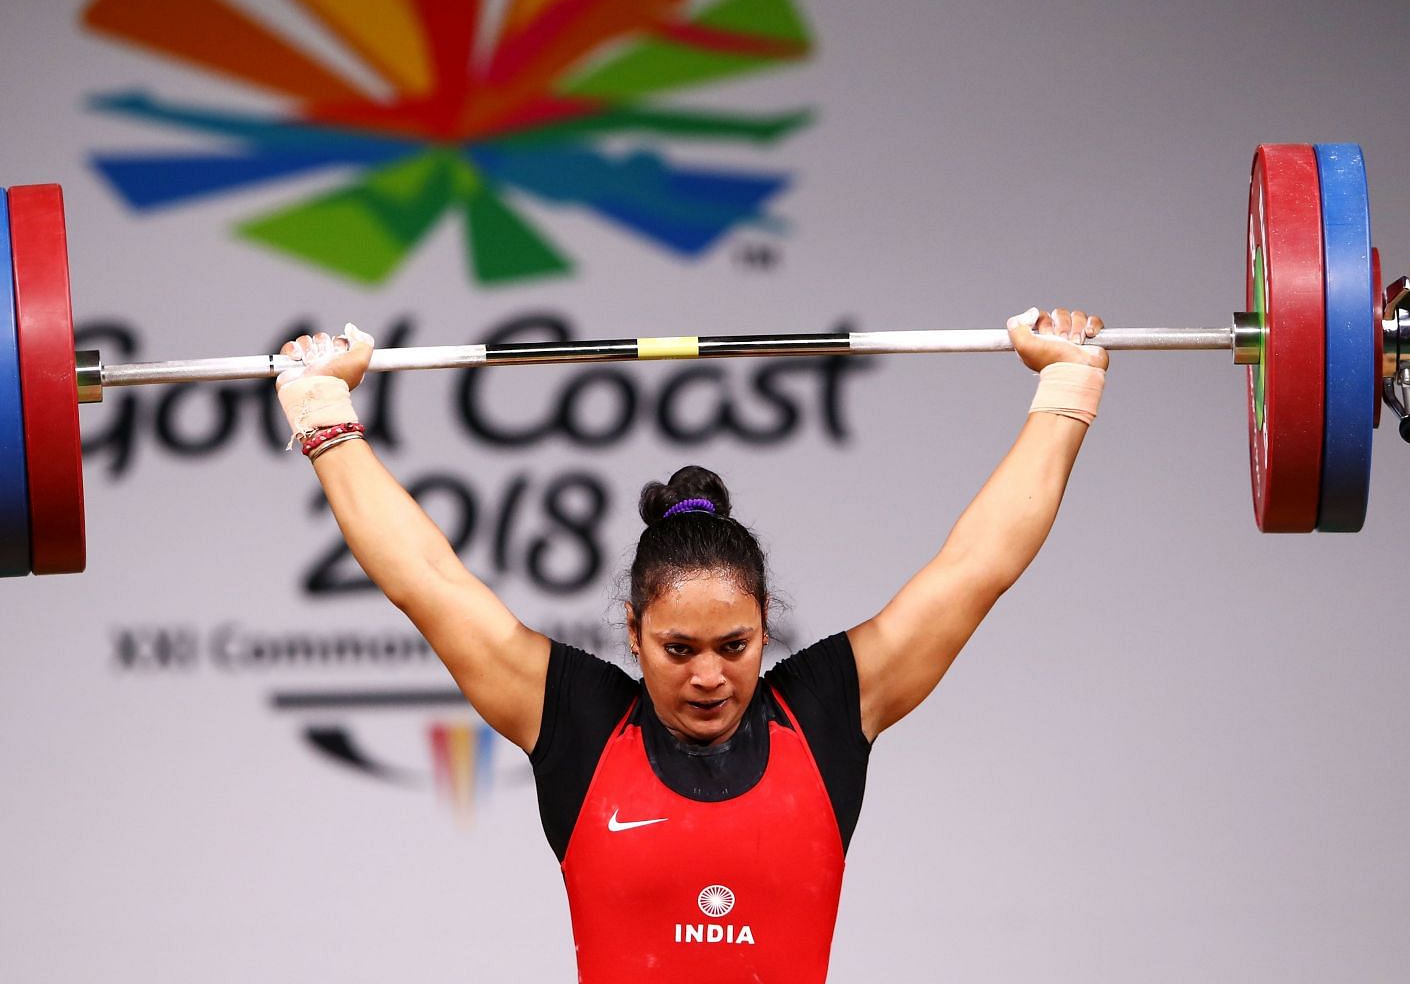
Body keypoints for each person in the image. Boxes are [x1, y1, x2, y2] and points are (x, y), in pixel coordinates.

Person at [274, 307, 1108, 982]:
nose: (710, 676)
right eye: (679, 649)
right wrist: (324, 412)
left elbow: (976, 568)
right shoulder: (576, 724)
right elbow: (427, 579)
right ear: (633, 634)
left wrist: (1066, 386)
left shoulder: (823, 714)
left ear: (767, 623)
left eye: (734, 645)